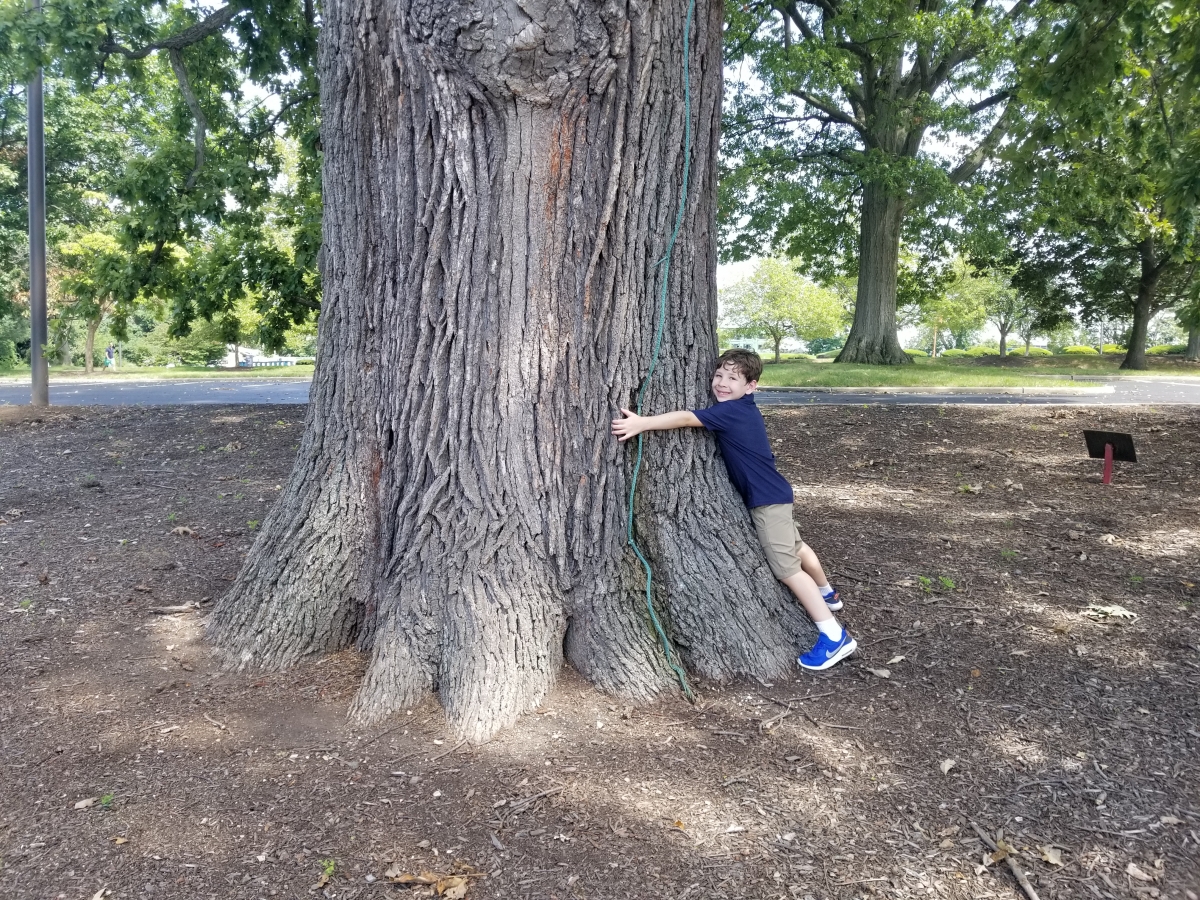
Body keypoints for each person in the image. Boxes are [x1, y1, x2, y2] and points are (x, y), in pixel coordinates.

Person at [611, 348, 857, 671]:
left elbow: (686, 417)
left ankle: (833, 636)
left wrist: (643, 423)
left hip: (767, 503)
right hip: (777, 493)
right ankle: (828, 593)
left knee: (787, 570)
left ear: (751, 387)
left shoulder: (729, 412)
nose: (722, 383)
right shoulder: (743, 409)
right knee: (797, 548)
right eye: (719, 375)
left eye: (733, 378)